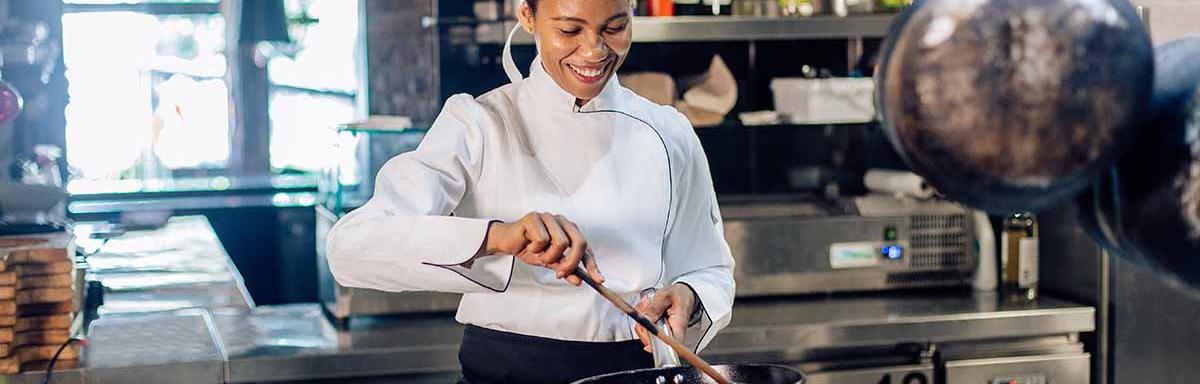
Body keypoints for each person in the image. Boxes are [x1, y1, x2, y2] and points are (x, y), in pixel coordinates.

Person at [325, 0, 735, 382]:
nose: (594, 51)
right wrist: (498, 237)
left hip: (636, 372)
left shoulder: (669, 132)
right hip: (507, 371)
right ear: (527, 16)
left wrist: (688, 295)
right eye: (570, 30)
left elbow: (711, 268)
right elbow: (350, 247)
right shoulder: (478, 123)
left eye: (615, 27)